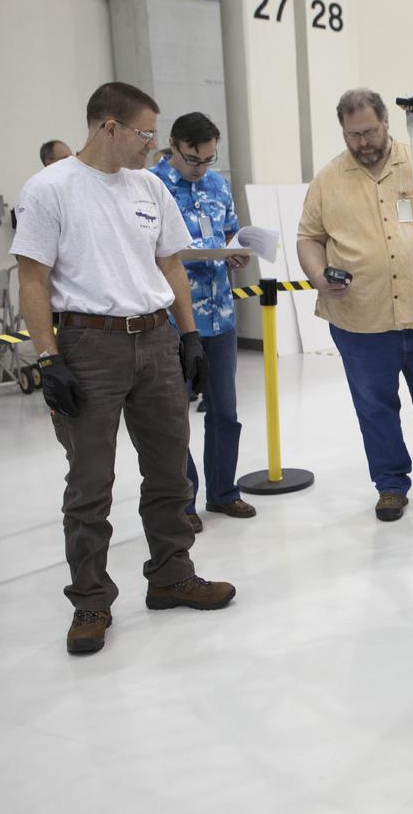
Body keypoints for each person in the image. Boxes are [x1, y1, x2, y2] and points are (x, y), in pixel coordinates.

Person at [11, 82, 235, 655]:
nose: (151, 144)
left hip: (155, 338)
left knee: (169, 471)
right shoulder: (49, 189)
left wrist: (189, 337)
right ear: (108, 127)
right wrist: (47, 355)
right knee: (90, 483)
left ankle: (170, 575)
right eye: (144, 133)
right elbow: (32, 278)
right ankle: (90, 602)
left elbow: (171, 265)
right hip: (88, 347)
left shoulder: (148, 188)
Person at [296, 88, 413, 522]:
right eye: (353, 134)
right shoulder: (328, 180)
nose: (363, 142)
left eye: (370, 131)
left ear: (386, 123)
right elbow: (309, 238)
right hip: (360, 318)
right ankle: (391, 486)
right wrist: (319, 276)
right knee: (375, 409)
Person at [150, 112, 255, 532]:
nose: (202, 168)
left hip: (221, 316)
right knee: (175, 420)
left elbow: (229, 233)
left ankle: (224, 492)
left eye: (209, 159)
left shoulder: (217, 184)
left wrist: (236, 251)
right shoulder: (151, 187)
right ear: (174, 145)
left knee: (225, 412)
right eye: (194, 159)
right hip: (172, 321)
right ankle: (184, 501)